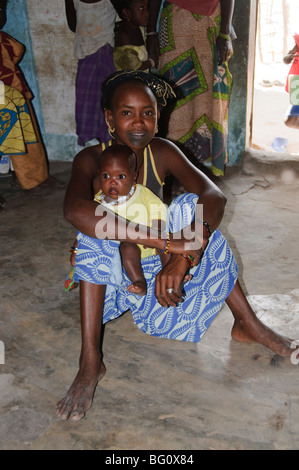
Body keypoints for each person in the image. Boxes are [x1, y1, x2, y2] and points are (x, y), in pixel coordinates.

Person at [57, 70, 295, 422]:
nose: (139, 122)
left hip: (165, 273)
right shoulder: (93, 160)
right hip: (115, 278)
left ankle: (247, 324)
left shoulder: (163, 151)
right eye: (126, 112)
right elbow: (75, 210)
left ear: (158, 118)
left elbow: (214, 195)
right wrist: (165, 240)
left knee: (192, 210)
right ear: (109, 118)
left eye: (148, 113)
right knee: (93, 233)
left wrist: (184, 255)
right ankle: (90, 362)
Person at [146, 0, 235, 177]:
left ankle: (197, 169)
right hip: (174, 23)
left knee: (207, 100)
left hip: (210, 24)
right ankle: (172, 168)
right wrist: (151, 33)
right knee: (174, 100)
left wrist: (224, 33)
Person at [69, 143, 168, 295]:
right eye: (106, 176)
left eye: (121, 176)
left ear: (134, 176)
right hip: (120, 257)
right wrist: (76, 250)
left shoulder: (143, 194)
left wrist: (155, 232)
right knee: (126, 247)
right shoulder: (98, 202)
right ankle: (138, 281)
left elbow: (159, 211)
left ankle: (169, 270)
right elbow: (86, 229)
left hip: (151, 247)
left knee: (168, 241)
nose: (113, 182)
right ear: (99, 175)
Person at [0, 1, 63, 195]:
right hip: (7, 98)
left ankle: (36, 179)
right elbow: (17, 51)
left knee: (28, 138)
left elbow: (16, 51)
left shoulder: (2, 39)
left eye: (1, 9)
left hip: (15, 97)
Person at [65, 0, 118, 146]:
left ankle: (109, 143)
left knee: (108, 101)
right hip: (85, 56)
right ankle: (100, 146)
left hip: (106, 54)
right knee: (86, 103)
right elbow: (72, 25)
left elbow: (124, 14)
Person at [112, 0, 155, 72]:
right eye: (141, 8)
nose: (147, 12)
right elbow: (132, 66)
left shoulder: (140, 29)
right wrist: (151, 62)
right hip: (128, 81)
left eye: (147, 7)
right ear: (126, 13)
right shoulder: (124, 37)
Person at [283, 33, 299, 130]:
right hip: (296, 82)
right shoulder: (298, 43)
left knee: (291, 120)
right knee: (290, 121)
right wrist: (289, 57)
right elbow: (286, 59)